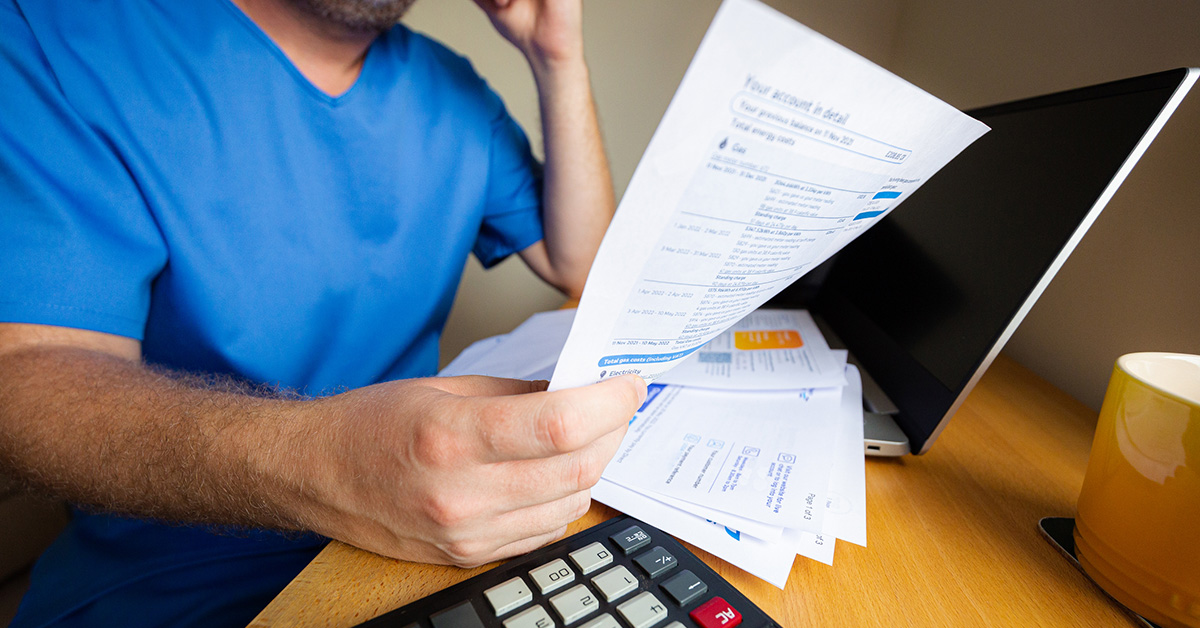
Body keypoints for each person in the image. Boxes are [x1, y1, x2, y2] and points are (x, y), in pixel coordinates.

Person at [0, 0, 647, 625]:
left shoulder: (454, 91)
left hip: (437, 549)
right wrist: (333, 466)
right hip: (172, 582)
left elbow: (584, 266)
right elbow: (24, 379)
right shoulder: (54, 34)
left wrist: (557, 57)